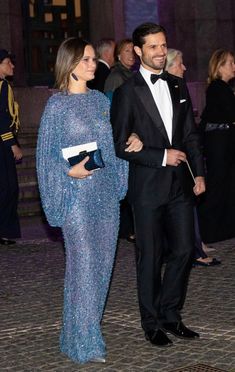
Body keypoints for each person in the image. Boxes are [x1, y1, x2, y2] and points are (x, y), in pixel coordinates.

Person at [36, 37, 142, 364]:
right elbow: (44, 158)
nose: (92, 64)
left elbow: (114, 143)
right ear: (69, 65)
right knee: (83, 267)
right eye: (85, 60)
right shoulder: (56, 106)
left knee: (101, 267)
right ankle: (86, 342)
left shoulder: (100, 101)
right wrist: (69, 173)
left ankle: (75, 333)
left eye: (94, 59)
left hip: (105, 195)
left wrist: (131, 140)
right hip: (75, 199)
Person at [111, 23, 205, 347]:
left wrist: (200, 173)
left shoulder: (178, 86)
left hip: (181, 186)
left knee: (183, 250)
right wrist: (162, 156)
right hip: (148, 188)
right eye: (153, 47)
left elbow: (191, 136)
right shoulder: (126, 93)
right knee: (149, 257)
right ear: (138, 51)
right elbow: (120, 145)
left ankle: (170, 314)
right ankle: (150, 323)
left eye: (163, 46)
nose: (161, 52)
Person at [165, 48, 221, 267]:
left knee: (190, 204)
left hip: (186, 155)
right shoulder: (166, 89)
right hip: (172, 159)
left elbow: (188, 129)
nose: (184, 67)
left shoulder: (180, 88)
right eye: (180, 63)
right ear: (169, 67)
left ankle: (196, 245)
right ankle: (192, 249)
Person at [198, 49, 235, 243]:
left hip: (223, 144)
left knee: (226, 185)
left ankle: (223, 229)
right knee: (218, 186)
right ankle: (208, 231)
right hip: (219, 146)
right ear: (220, 67)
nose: (234, 67)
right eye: (230, 63)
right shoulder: (217, 88)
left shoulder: (222, 88)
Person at [104, 38, 136, 242]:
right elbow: (111, 108)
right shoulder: (116, 77)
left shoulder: (130, 75)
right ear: (118, 55)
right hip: (122, 135)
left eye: (133, 51)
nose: (131, 54)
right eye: (126, 51)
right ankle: (126, 228)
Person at [0, 49, 22, 245]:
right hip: (2, 145)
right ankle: (4, 231)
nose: (12, 66)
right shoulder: (3, 86)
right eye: (8, 62)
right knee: (8, 188)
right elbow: (2, 118)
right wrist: (12, 144)